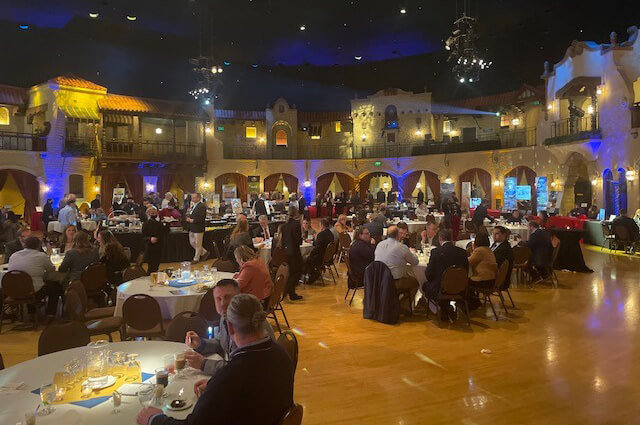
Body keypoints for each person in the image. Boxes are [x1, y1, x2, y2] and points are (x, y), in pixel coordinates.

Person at [142, 294, 291, 425]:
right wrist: (216, 388)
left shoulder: (230, 375)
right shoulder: (281, 354)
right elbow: (255, 391)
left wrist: (154, 418)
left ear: (230, 327)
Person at [182, 280, 276, 376]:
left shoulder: (251, 323)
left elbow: (242, 368)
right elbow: (223, 343)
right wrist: (201, 344)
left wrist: (203, 364)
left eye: (227, 297)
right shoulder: (225, 317)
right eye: (218, 299)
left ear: (238, 297)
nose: (222, 304)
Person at [8, 236, 62, 315]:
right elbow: (51, 270)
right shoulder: (41, 256)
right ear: (38, 246)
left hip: (14, 292)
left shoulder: (14, 255)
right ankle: (51, 314)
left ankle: (31, 313)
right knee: (55, 286)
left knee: (30, 284)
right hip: (33, 293)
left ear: (24, 245)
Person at [423, 229, 469, 321]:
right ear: (451, 238)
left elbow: (429, 274)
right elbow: (466, 271)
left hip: (441, 289)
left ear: (440, 238)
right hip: (460, 288)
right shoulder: (462, 252)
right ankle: (446, 308)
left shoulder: (436, 252)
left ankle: (442, 308)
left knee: (426, 285)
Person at [374, 224, 420, 306]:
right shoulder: (401, 247)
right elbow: (415, 262)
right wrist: (413, 253)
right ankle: (404, 307)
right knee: (415, 282)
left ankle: (395, 304)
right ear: (398, 234)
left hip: (379, 278)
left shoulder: (379, 245)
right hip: (394, 281)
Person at [279, 206, 303, 300]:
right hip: (295, 251)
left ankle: (289, 291)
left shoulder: (284, 225)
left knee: (291, 272)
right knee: (297, 272)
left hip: (286, 251)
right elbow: (298, 241)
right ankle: (290, 291)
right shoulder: (297, 224)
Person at [306, 218, 334, 284]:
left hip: (320, 257)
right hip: (328, 257)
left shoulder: (321, 234)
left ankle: (312, 275)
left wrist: (311, 254)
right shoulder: (330, 234)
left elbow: (317, 247)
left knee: (307, 258)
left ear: (322, 225)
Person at [186, 192, 209, 264]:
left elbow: (202, 217)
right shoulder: (193, 206)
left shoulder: (202, 206)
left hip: (198, 227)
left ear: (198, 198)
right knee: (192, 242)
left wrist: (192, 220)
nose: (192, 199)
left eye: (194, 197)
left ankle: (196, 259)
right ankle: (204, 252)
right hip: (192, 227)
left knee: (198, 244)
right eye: (192, 197)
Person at [142, 208, 164, 274]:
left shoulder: (159, 224)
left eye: (155, 213)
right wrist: (150, 239)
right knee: (151, 265)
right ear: (148, 214)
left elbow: (163, 234)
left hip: (158, 247)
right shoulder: (145, 224)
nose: (154, 215)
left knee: (156, 265)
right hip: (149, 247)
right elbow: (143, 236)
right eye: (152, 213)